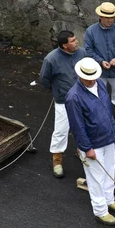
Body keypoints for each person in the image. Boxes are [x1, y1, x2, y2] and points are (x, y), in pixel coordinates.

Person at [65, 57, 115, 226]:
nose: (91, 80)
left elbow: (107, 108)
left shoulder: (99, 83)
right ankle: (100, 210)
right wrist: (86, 148)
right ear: (80, 76)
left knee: (109, 170)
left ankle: (109, 199)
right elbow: (77, 126)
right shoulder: (73, 97)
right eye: (88, 78)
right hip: (93, 143)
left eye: (93, 76)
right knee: (96, 177)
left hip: (108, 137)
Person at [39, 30, 87, 178]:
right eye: (72, 41)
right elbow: (44, 79)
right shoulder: (51, 59)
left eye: (75, 39)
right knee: (61, 130)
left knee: (84, 126)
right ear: (64, 45)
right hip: (63, 101)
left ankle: (82, 151)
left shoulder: (82, 53)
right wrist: (57, 91)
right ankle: (57, 161)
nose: (76, 42)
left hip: (81, 98)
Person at [84, 2, 115, 121]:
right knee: (99, 93)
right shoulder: (91, 31)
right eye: (107, 17)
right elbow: (89, 50)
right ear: (100, 16)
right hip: (99, 71)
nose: (110, 20)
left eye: (112, 17)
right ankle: (101, 116)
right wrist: (100, 61)